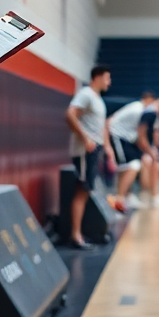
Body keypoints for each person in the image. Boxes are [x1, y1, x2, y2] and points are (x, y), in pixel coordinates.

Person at [66, 65, 116, 248]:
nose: (109, 82)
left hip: (96, 151)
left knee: (86, 191)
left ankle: (80, 233)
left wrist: (108, 148)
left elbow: (101, 127)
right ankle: (75, 236)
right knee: (82, 190)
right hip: (85, 151)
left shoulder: (98, 99)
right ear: (97, 77)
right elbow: (70, 114)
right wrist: (85, 138)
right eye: (107, 78)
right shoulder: (86, 94)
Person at [107, 91, 156, 211]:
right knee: (131, 166)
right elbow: (109, 122)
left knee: (130, 166)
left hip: (126, 140)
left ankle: (126, 196)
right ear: (148, 100)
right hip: (117, 137)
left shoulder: (138, 109)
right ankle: (119, 199)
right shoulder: (137, 110)